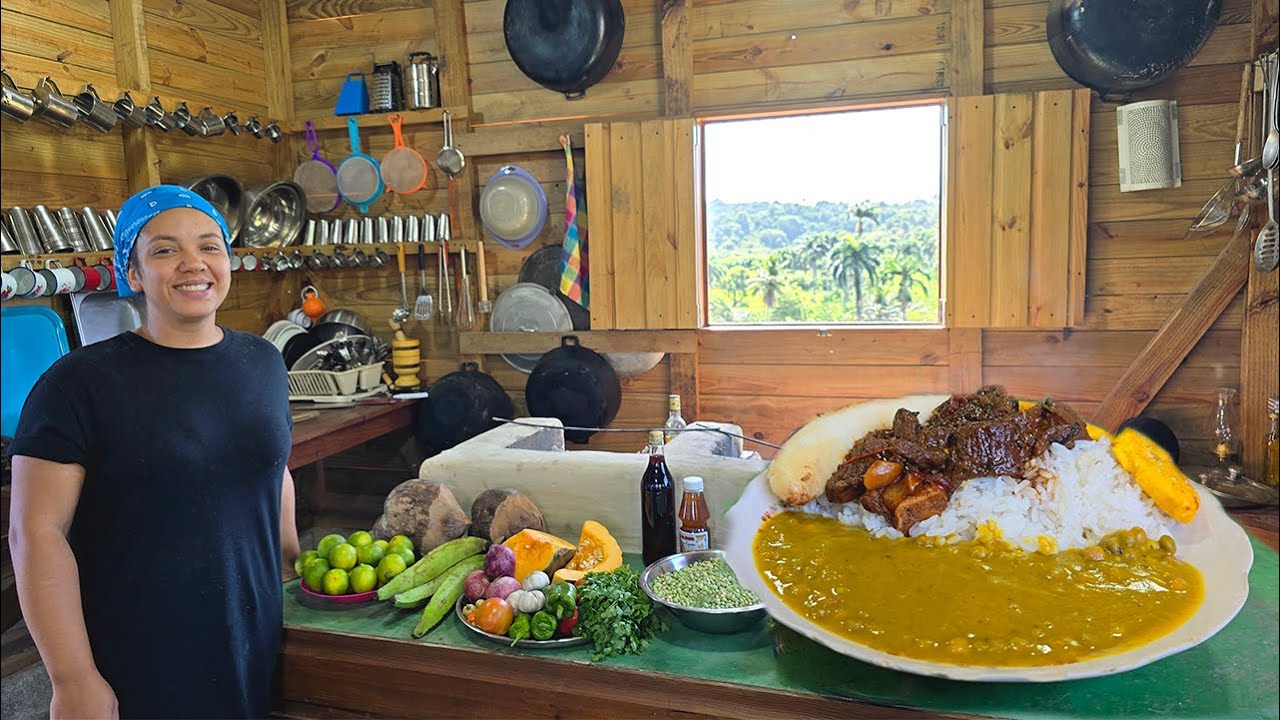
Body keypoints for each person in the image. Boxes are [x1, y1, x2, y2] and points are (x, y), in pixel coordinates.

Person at [7, 185, 300, 719]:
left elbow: (273, 471)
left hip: (251, 633)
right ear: (134, 274)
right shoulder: (79, 384)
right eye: (165, 250)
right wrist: (72, 679)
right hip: (140, 650)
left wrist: (292, 570)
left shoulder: (262, 361)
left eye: (210, 246)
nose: (194, 264)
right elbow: (35, 533)